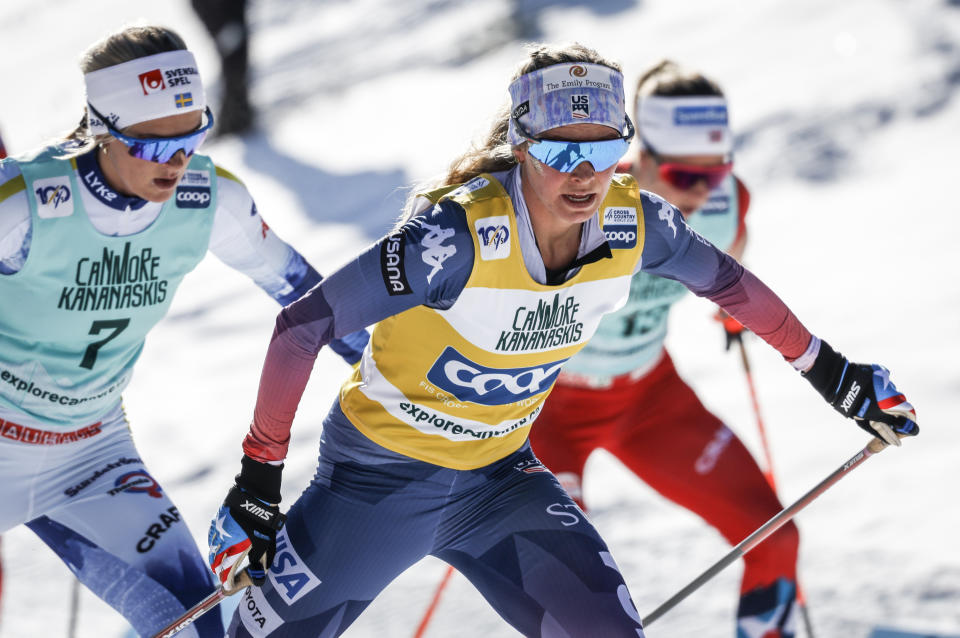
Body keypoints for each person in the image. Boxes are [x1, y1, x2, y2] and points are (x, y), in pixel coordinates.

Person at [206, 43, 918, 638]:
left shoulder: (634, 224)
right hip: (376, 487)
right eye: (557, 150)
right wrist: (257, 486)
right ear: (521, 145)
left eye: (604, 148)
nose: (583, 174)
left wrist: (837, 376)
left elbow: (729, 284)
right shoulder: (455, 238)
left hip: (499, 485)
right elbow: (303, 327)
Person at [0, 25, 366, 638]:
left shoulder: (208, 198)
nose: (175, 162)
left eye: (192, 136)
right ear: (102, 130)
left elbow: (306, 300)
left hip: (92, 455)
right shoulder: (26, 202)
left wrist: (403, 375)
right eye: (151, 146)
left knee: (198, 628)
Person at [526, 59, 803, 637]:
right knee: (572, 590)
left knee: (776, 535)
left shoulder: (729, 206)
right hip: (548, 409)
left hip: (648, 401)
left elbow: (734, 262)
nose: (704, 192)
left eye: (717, 172)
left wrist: (731, 316)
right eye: (684, 175)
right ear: (641, 159)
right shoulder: (578, 204)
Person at [191, 0, 253, 136]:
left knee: (237, 64)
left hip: (233, 20)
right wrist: (219, 28)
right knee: (233, 65)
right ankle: (233, 118)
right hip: (223, 21)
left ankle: (238, 116)